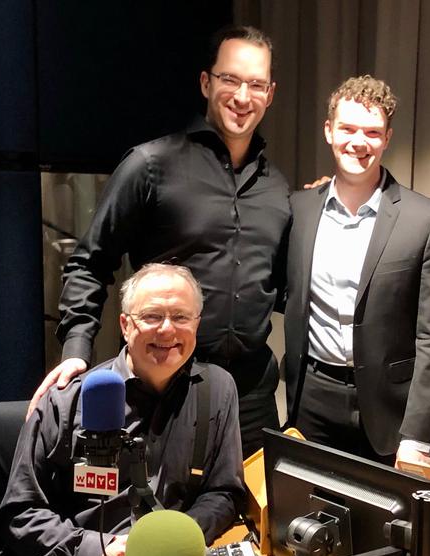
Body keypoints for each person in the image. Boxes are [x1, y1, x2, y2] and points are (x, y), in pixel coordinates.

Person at [27, 25, 290, 458]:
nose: (243, 96)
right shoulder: (150, 164)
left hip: (252, 395)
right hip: (165, 380)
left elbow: (280, 284)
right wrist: (75, 349)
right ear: (206, 83)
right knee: (161, 515)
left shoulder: (277, 187)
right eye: (230, 79)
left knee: (255, 517)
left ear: (270, 93)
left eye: (256, 84)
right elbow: (90, 263)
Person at [0, 264, 244, 556]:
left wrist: (173, 540)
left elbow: (224, 491)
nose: (168, 330)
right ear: (126, 324)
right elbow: (20, 512)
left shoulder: (218, 389)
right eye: (152, 316)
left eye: (181, 317)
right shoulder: (67, 400)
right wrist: (95, 554)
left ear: (197, 324)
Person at [284, 75, 430, 465]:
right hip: (311, 398)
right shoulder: (299, 209)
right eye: (347, 128)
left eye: (372, 132)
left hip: (389, 412)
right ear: (329, 131)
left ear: (387, 137)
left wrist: (418, 433)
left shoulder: (426, 219)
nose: (358, 142)